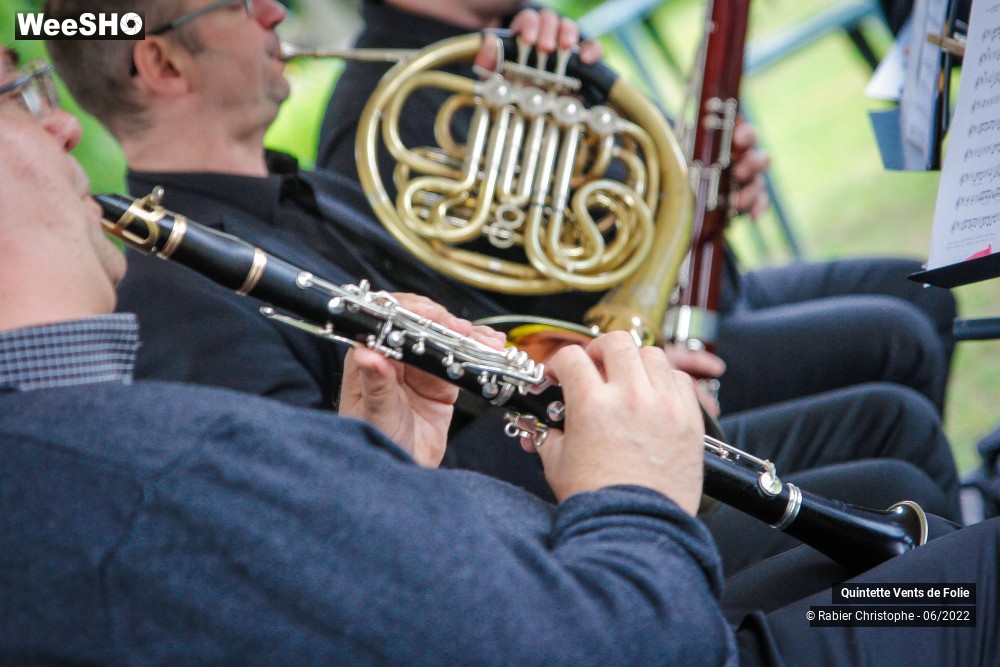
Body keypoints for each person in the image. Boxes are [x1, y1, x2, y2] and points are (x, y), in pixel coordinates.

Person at [1, 48, 998, 666]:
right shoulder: (135, 447)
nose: (59, 126)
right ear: (159, 62)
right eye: (13, 92)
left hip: (561, 567)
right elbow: (625, 642)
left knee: (915, 512)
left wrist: (384, 463)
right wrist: (631, 487)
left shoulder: (112, 443)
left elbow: (331, 579)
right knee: (949, 550)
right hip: (626, 604)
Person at [44, 0, 964, 550]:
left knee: (894, 414)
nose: (277, 12)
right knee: (894, 433)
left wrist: (586, 117)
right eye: (242, 4)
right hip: (546, 532)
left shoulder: (315, 191)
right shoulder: (180, 294)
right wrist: (602, 410)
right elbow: (342, 511)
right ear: (161, 60)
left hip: (581, 449)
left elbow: (499, 319)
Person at [315, 0, 958, 416]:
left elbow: (619, 194)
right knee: (895, 341)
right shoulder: (375, 121)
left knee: (922, 291)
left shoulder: (527, 32)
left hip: (694, 288)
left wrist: (700, 193)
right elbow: (461, 347)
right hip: (626, 360)